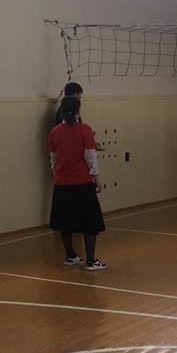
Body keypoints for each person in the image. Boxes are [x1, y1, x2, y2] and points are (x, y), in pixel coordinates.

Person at [48, 96, 107, 271]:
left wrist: (59, 176)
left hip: (61, 184)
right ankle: (91, 261)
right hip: (82, 184)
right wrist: (98, 181)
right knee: (90, 222)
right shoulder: (84, 130)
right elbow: (91, 158)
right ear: (78, 111)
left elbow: (53, 160)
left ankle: (70, 256)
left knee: (64, 221)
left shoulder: (54, 132)